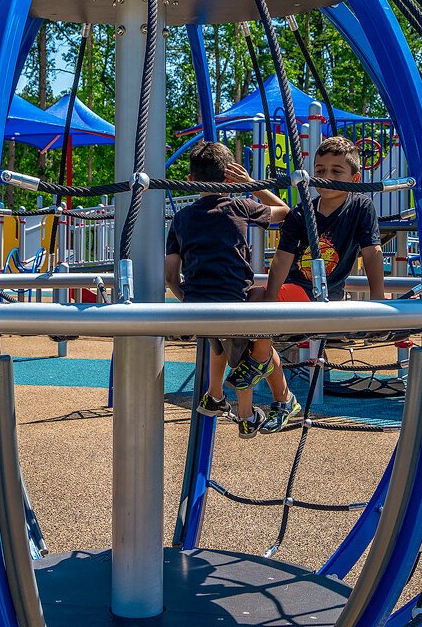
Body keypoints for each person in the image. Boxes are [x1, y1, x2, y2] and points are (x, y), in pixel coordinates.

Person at [165, 141, 296, 437]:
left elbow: (171, 275)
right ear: (230, 179)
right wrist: (251, 184)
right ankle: (248, 416)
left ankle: (214, 396)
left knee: (220, 343)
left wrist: (188, 298)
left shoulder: (181, 218)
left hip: (198, 306)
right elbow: (285, 211)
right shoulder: (239, 204)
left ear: (190, 182)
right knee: (251, 343)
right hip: (235, 300)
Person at [262, 136, 388, 429]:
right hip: (295, 289)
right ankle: (272, 387)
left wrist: (380, 302)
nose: (326, 177)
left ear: (354, 178)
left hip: (320, 294)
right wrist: (267, 302)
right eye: (320, 170)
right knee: (251, 301)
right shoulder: (302, 211)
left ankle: (278, 393)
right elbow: (282, 260)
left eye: (336, 171)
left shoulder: (360, 207)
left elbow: (372, 253)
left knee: (254, 315)